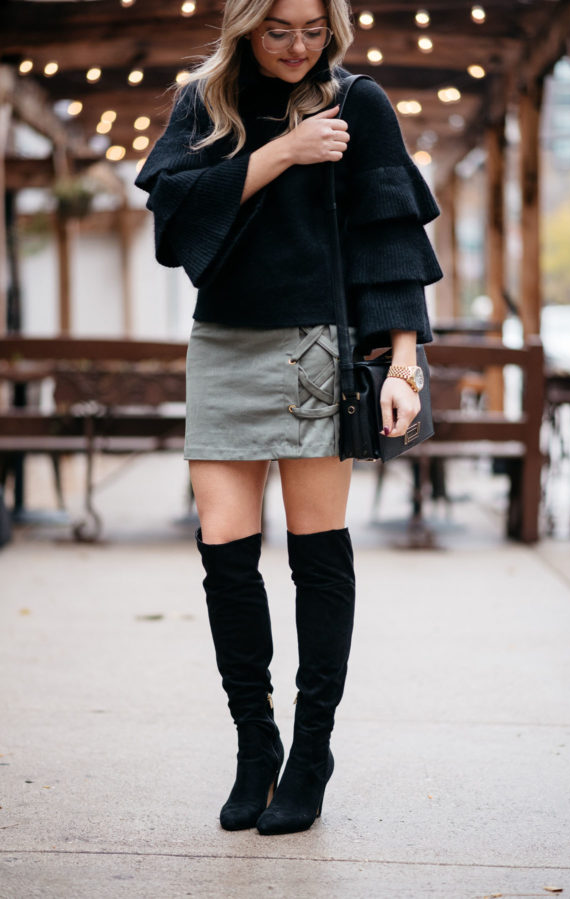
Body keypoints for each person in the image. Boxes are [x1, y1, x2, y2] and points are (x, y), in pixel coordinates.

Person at [135, 0, 442, 836]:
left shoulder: (358, 103)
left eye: (314, 29)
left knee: (316, 557)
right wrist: (283, 153)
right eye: (279, 30)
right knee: (226, 557)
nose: (299, 46)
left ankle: (311, 753)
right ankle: (253, 745)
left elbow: (390, 235)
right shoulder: (204, 101)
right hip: (223, 346)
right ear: (245, 26)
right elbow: (174, 224)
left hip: (317, 347)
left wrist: (404, 364)